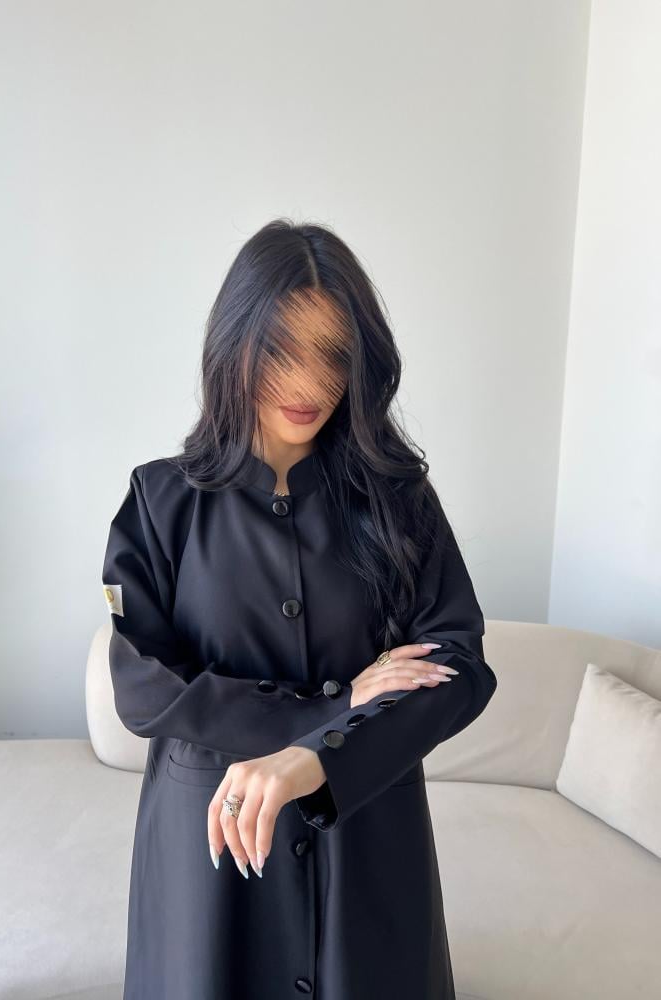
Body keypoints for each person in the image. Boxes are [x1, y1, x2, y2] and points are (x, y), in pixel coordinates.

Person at [101, 217, 498, 1000]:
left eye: (334, 354)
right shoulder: (159, 501)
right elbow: (142, 687)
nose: (310, 383)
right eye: (282, 350)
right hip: (211, 862)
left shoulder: (399, 500)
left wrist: (327, 758)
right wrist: (331, 711)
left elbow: (458, 664)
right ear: (235, 345)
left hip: (366, 837)